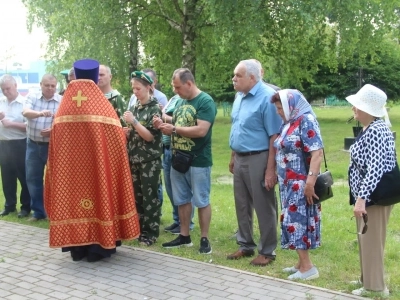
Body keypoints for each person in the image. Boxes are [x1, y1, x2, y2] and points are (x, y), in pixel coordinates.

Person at [44, 58, 140, 262]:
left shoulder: (64, 109)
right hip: (98, 172)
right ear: (96, 76)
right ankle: (98, 248)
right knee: (99, 199)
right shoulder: (101, 107)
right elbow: (116, 138)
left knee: (71, 202)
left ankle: (77, 249)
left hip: (70, 174)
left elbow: (55, 141)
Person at [227, 59, 281, 266]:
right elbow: (237, 126)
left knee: (263, 204)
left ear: (252, 77)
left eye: (238, 75)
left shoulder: (267, 98)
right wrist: (233, 156)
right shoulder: (239, 96)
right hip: (240, 156)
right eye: (234, 74)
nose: (234, 79)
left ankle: (267, 251)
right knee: (241, 203)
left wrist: (270, 170)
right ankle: (245, 245)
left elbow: (274, 136)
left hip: (259, 157)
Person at [158, 68, 216, 254]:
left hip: (198, 160)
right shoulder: (181, 101)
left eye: (177, 87)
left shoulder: (205, 101)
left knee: (201, 200)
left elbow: (201, 130)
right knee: (182, 199)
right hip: (178, 158)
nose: (175, 91)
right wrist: (161, 122)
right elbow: (174, 120)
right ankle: (184, 236)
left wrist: (173, 129)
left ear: (189, 83)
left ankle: (204, 238)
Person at [346, 84, 393, 297]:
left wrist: (362, 199)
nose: (353, 108)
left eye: (357, 104)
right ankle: (368, 278)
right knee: (366, 238)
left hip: (373, 196)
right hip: (368, 195)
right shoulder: (371, 127)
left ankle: (375, 287)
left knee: (372, 239)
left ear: (368, 109)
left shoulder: (376, 130)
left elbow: (375, 168)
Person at [271, 89, 323, 280]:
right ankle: (300, 263)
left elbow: (317, 153)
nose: (278, 111)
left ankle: (308, 268)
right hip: (288, 183)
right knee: (290, 220)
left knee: (297, 221)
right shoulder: (289, 122)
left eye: (280, 108)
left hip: (300, 182)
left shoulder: (306, 120)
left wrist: (310, 182)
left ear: (290, 106)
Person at [123, 71, 163, 246]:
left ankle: (151, 232)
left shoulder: (155, 109)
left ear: (148, 88)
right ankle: (138, 229)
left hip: (149, 162)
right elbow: (134, 134)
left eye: (138, 88)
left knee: (150, 198)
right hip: (135, 159)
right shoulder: (134, 108)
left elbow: (149, 137)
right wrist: (127, 132)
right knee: (137, 197)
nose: (135, 92)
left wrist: (134, 123)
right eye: (133, 88)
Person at [153, 95, 195, 235]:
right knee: (171, 188)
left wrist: (162, 115)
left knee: (182, 190)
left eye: (177, 85)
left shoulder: (187, 100)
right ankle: (178, 220)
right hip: (166, 147)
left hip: (177, 148)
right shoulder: (173, 99)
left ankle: (187, 223)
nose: (175, 88)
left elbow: (180, 122)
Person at [22, 74, 61, 222]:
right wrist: (40, 114)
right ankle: (38, 212)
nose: (50, 88)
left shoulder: (61, 101)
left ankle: (56, 212)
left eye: (53, 86)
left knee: (56, 179)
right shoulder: (32, 97)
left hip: (53, 146)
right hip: (33, 144)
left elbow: (64, 123)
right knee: (33, 179)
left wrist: (53, 130)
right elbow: (25, 112)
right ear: (41, 85)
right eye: (47, 85)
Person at [0, 75, 31, 218]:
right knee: (7, 177)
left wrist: (11, 124)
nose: (6, 92)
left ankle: (25, 207)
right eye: (3, 89)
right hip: (4, 143)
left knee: (23, 177)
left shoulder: (25, 103)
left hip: (20, 143)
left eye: (8, 88)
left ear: (15, 86)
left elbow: (29, 126)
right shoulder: (1, 102)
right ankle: (9, 205)